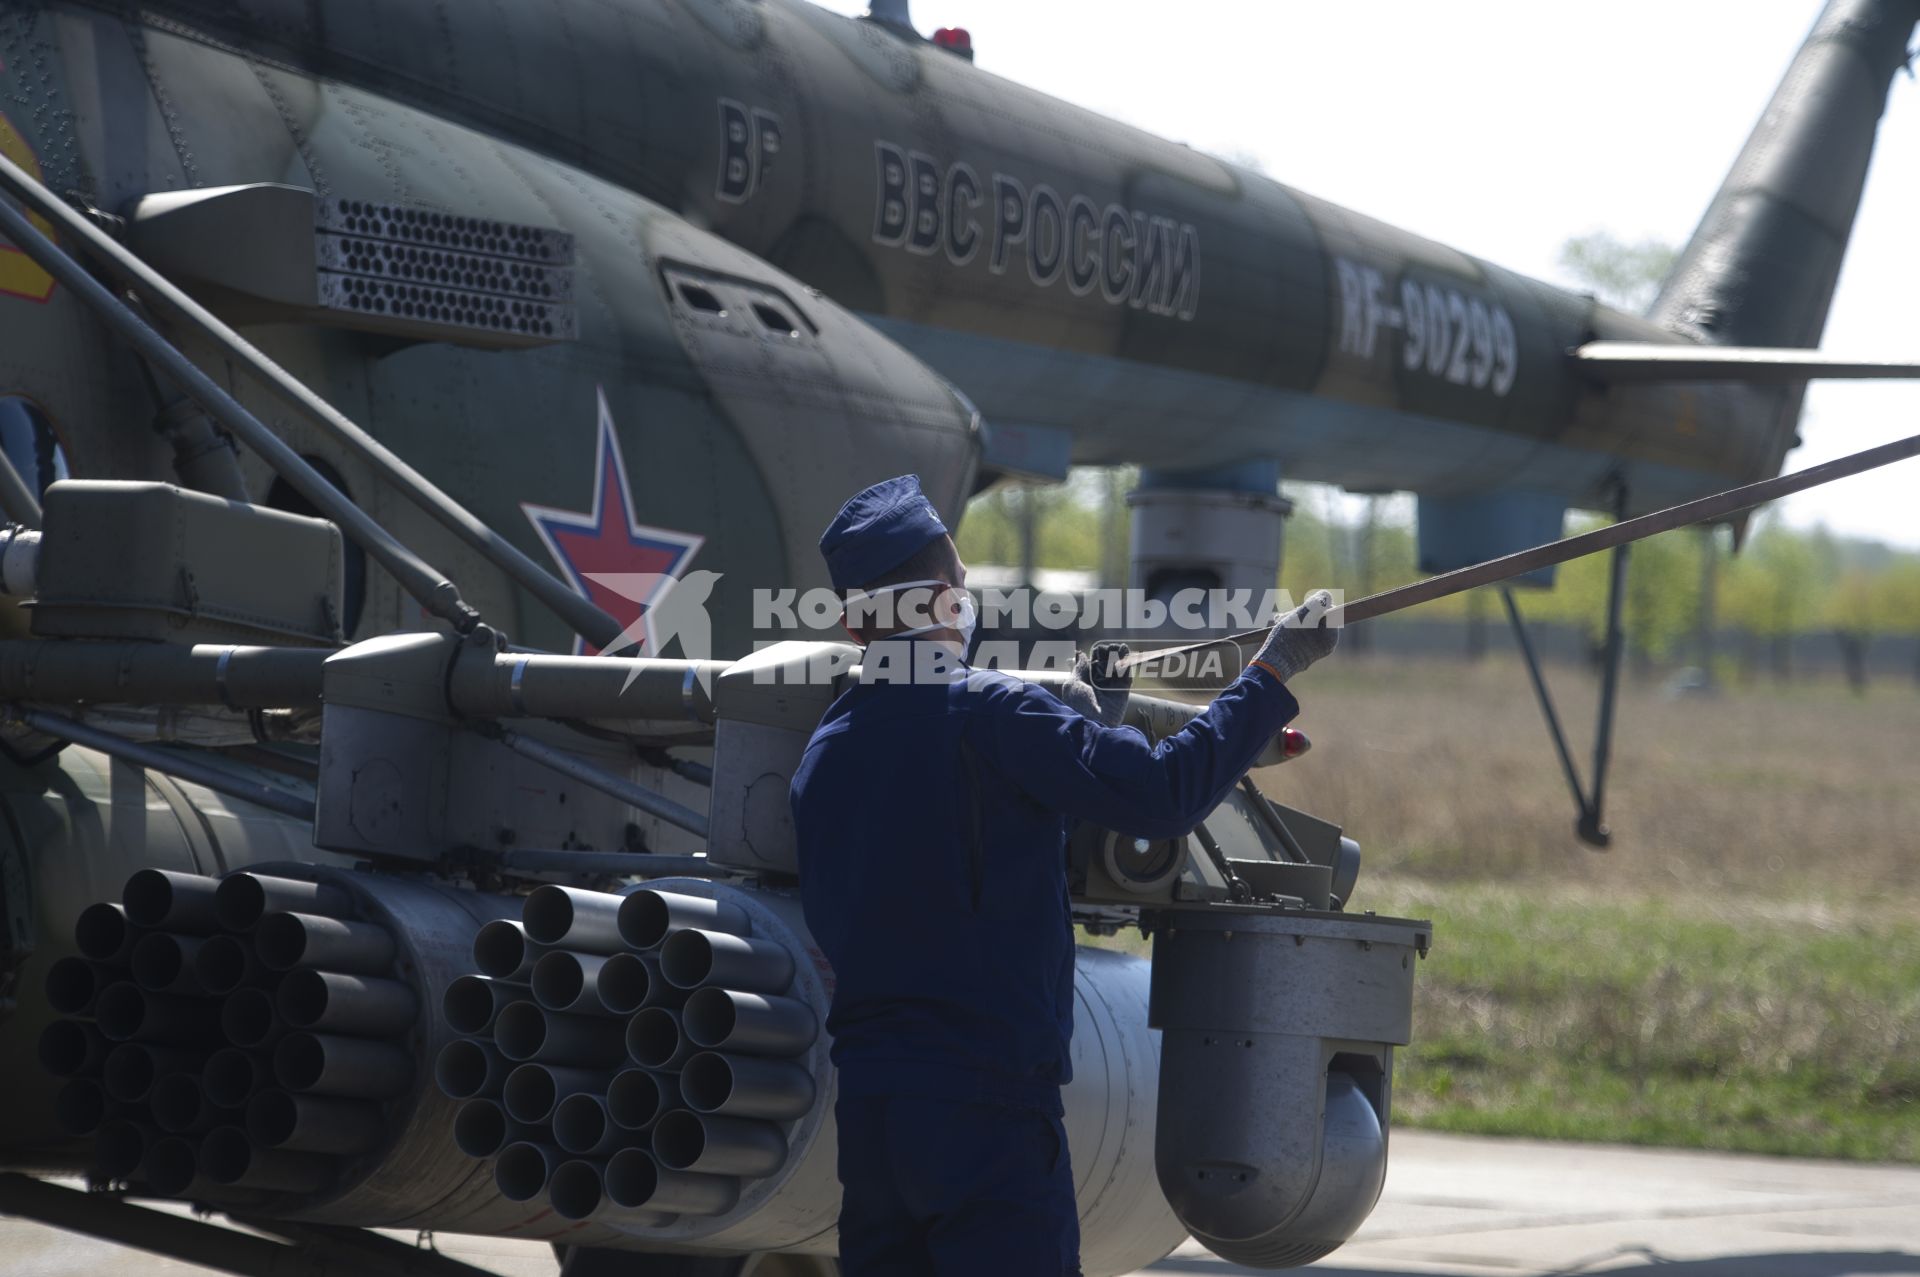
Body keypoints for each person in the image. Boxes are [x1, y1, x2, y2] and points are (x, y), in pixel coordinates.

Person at [789, 474, 1337, 1275]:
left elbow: (946, 857)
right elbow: (1165, 792)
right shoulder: (994, 711)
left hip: (873, 1120)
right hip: (988, 1112)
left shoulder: (822, 752)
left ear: (852, 621)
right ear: (945, 599)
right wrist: (1272, 670)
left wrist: (1094, 724)